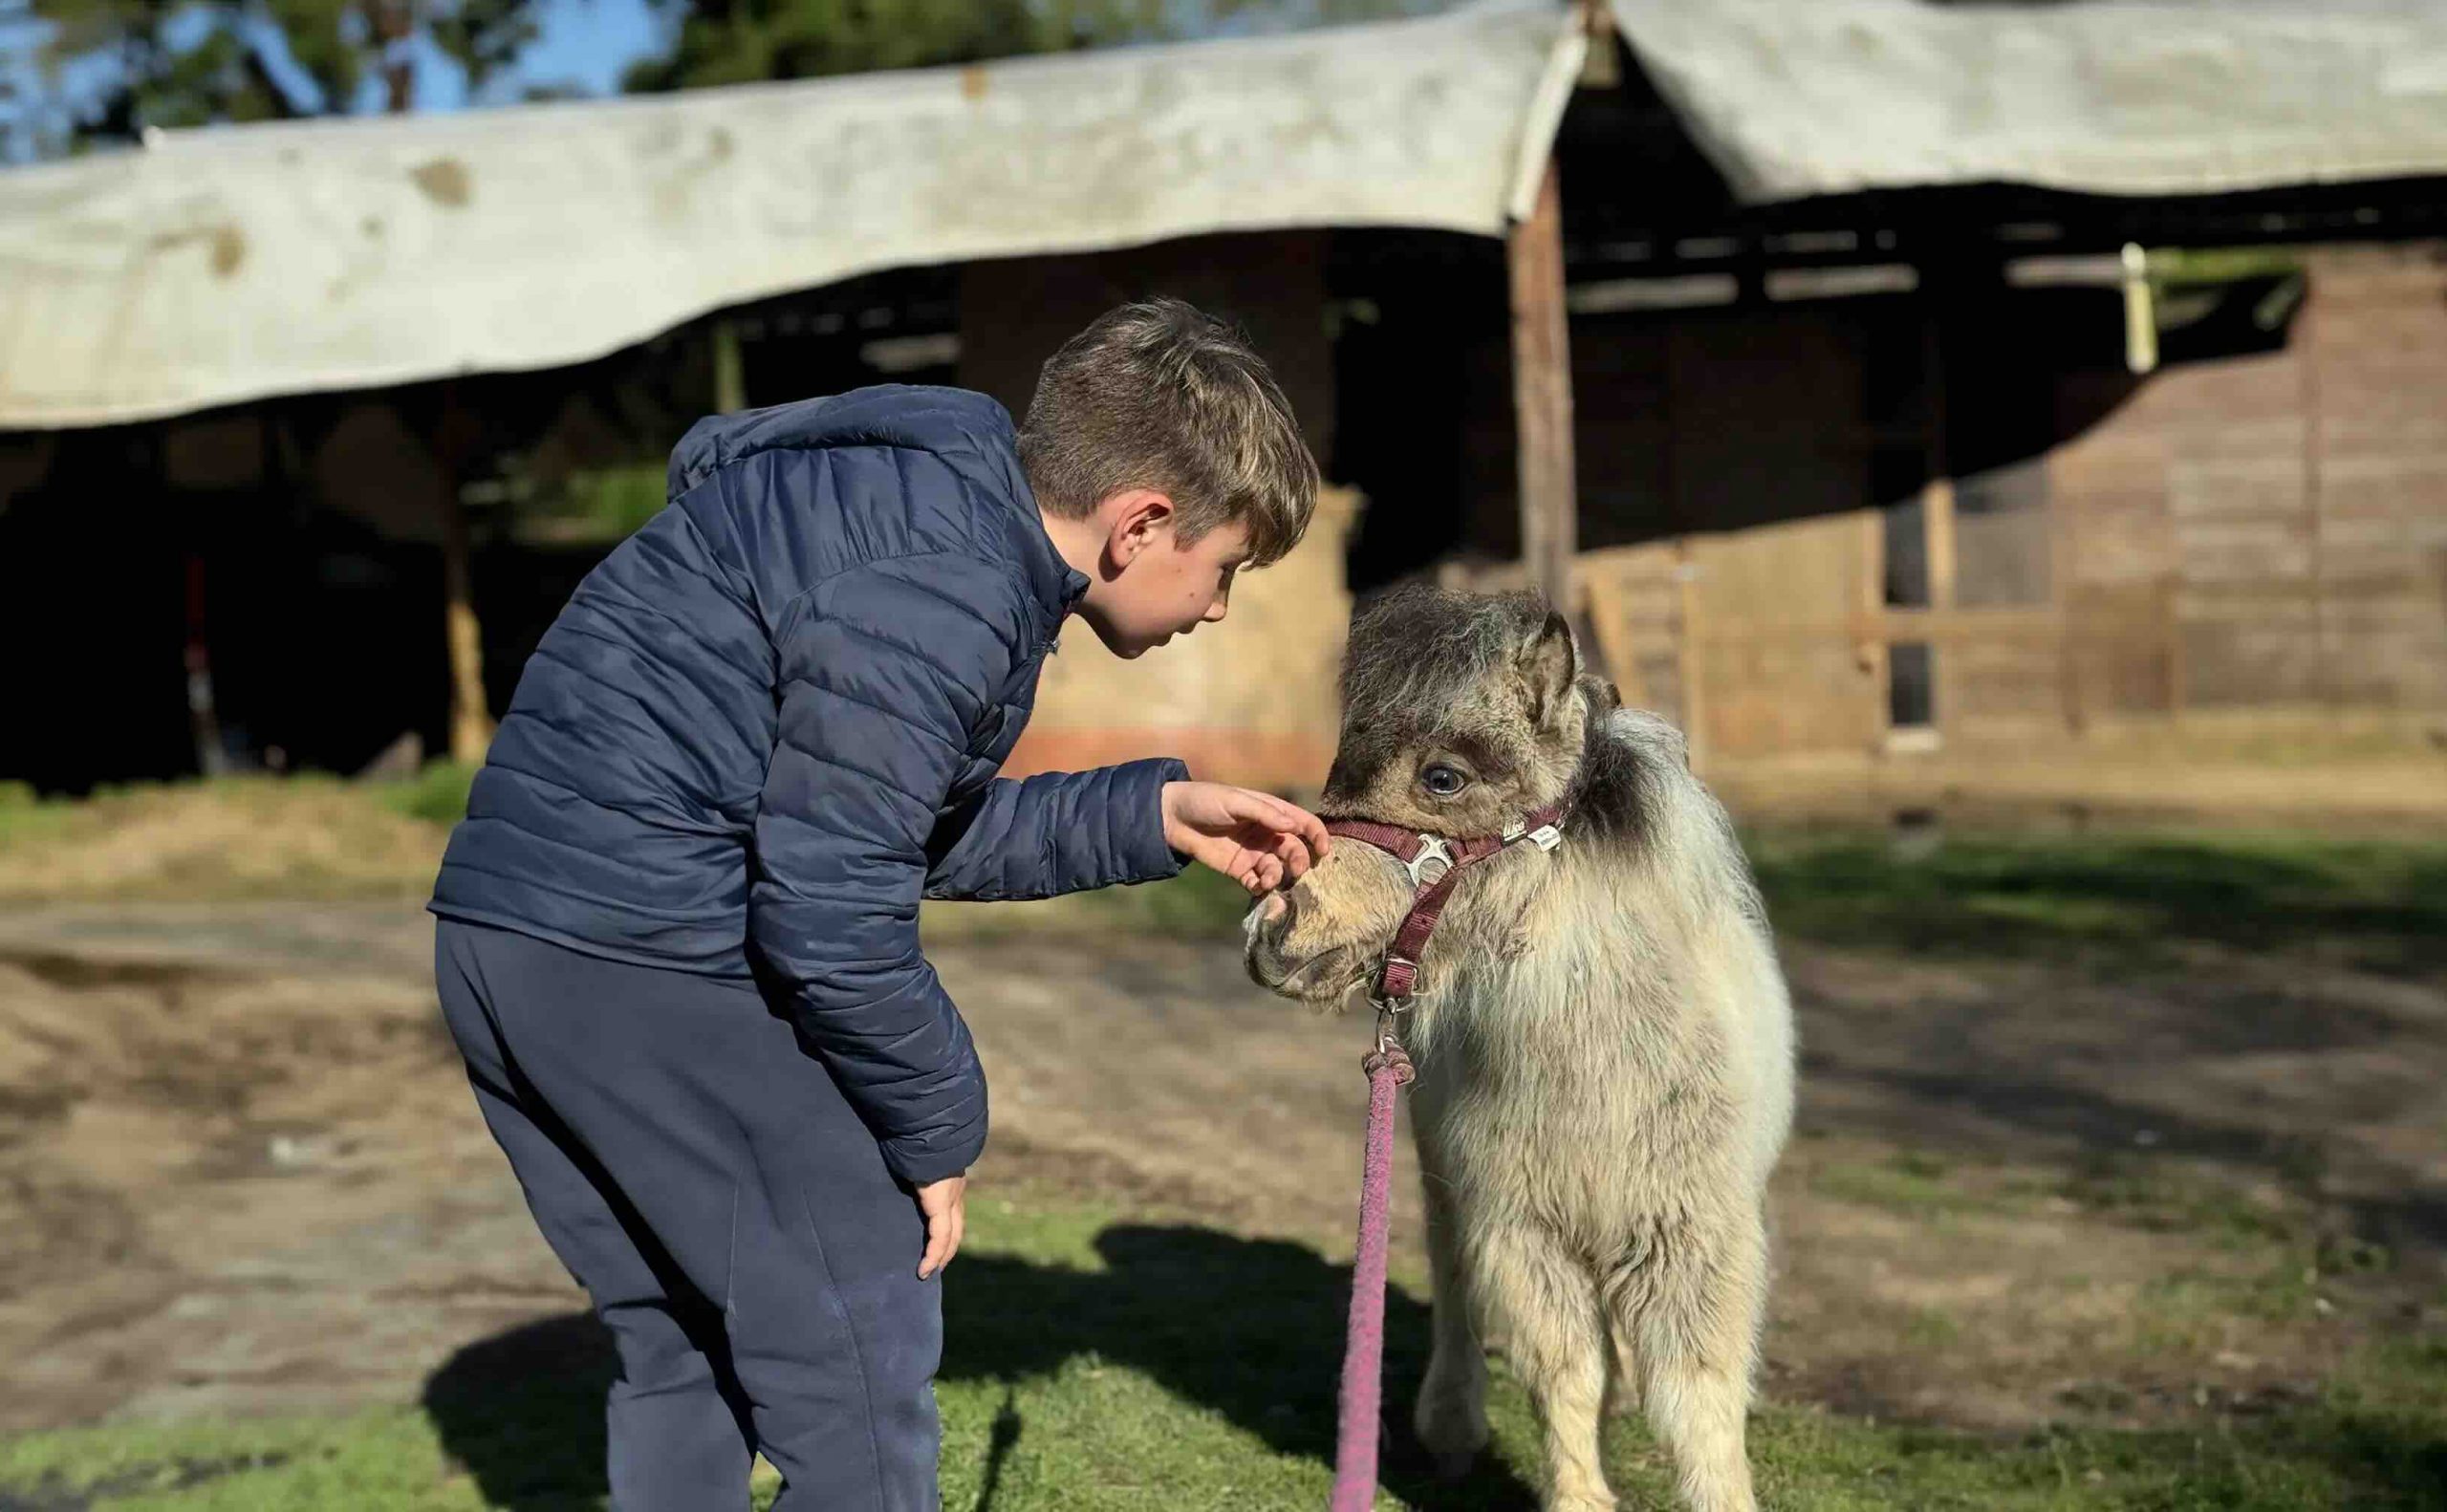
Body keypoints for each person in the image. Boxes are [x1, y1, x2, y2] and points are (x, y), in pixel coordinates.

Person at [427, 297, 1332, 1511]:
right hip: (645, 948)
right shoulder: (947, 583)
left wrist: (1150, 814)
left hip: (510, 941)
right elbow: (832, 906)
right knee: (856, 1338)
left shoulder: (914, 512)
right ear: (1140, 524)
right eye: (1224, 570)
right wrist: (935, 1126)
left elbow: (865, 826)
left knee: (687, 1341)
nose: (1216, 607)